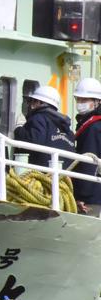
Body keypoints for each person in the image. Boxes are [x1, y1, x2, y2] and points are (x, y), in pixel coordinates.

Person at [13, 85, 75, 168]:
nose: (31, 104)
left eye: (33, 101)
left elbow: (33, 140)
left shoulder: (38, 118)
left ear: (40, 102)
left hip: (41, 174)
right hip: (62, 177)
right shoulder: (66, 127)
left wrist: (19, 129)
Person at [72, 78, 101, 214]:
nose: (80, 103)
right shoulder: (90, 123)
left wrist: (82, 196)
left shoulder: (93, 127)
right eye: (78, 99)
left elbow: (89, 160)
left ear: (97, 102)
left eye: (85, 100)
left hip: (91, 197)